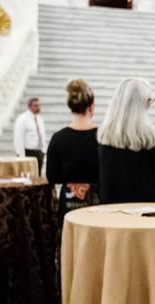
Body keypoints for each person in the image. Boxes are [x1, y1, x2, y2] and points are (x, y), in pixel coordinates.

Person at [97, 78, 155, 204]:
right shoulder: (150, 135)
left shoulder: (104, 134)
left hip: (112, 207)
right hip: (149, 206)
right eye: (149, 101)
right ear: (141, 103)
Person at [46, 79, 100, 224]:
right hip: (98, 204)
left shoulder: (58, 138)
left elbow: (52, 176)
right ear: (91, 106)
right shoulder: (103, 137)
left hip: (69, 205)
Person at [13, 97, 47, 173]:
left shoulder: (40, 119)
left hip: (39, 152)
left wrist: (44, 150)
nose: (38, 107)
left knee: (38, 174)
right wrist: (21, 155)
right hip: (28, 152)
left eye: (39, 105)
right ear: (29, 106)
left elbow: (43, 135)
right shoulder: (22, 119)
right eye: (35, 105)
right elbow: (18, 138)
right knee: (29, 175)